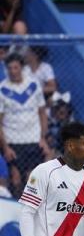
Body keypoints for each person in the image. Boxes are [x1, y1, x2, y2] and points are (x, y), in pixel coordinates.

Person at [0, 53, 49, 196]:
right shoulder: (2, 90)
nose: (13, 71)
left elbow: (42, 113)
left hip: (33, 140)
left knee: (31, 180)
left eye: (15, 67)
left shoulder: (34, 86)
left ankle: (31, 212)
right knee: (15, 180)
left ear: (21, 68)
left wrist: (42, 138)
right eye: (10, 68)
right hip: (12, 141)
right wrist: (5, 146)